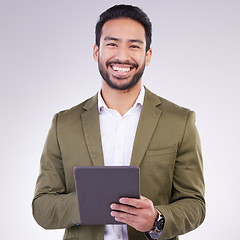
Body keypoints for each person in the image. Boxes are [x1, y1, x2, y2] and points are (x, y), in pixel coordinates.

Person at [32, 4, 205, 240]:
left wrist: (157, 220)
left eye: (134, 46)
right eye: (112, 44)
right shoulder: (64, 123)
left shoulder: (180, 121)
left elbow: (195, 204)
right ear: (96, 52)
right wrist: (86, 202)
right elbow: (41, 207)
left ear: (148, 55)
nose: (122, 56)